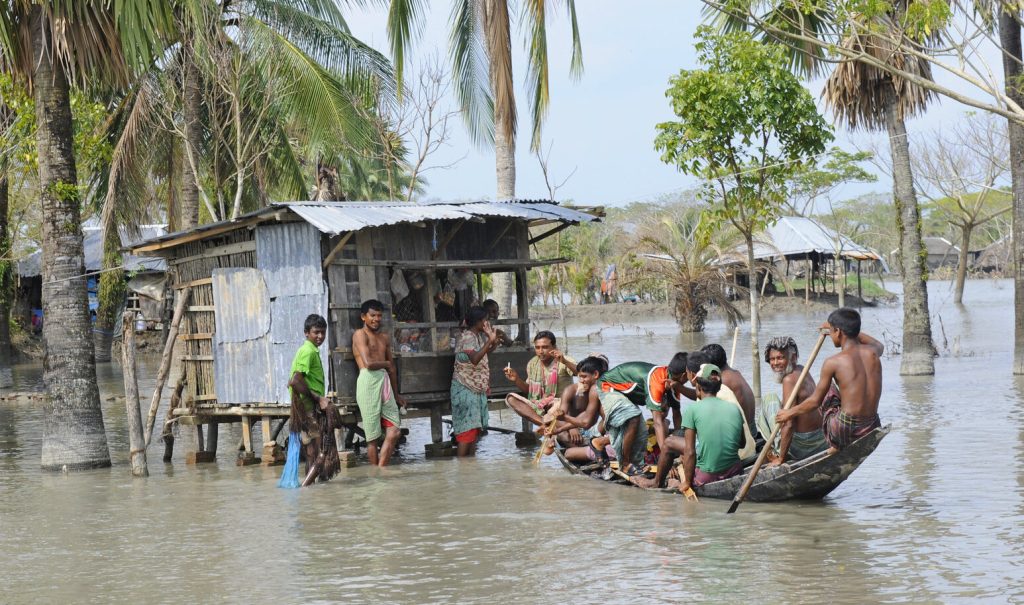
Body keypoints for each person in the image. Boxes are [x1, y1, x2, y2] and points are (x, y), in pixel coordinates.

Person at [777, 308, 884, 454]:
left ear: (838, 332)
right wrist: (849, 329)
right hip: (872, 424)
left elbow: (815, 401)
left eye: (832, 331)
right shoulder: (873, 352)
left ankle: (835, 444)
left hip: (845, 430)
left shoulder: (833, 362)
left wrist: (788, 413)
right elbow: (879, 344)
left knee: (828, 389)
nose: (831, 335)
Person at [632, 363, 747, 490]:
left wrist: (686, 483)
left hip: (707, 476)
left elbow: (690, 452)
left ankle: (656, 482)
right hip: (735, 470)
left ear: (698, 386)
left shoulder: (693, 410)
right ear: (719, 387)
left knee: (669, 442)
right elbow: (742, 443)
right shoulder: (734, 408)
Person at [549, 356, 647, 474]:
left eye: (584, 377)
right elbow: (588, 421)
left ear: (595, 374)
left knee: (569, 453)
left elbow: (586, 422)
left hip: (617, 445)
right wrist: (561, 428)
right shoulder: (613, 385)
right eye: (580, 377)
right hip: (633, 441)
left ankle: (599, 449)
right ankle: (596, 448)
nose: (581, 380)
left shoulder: (596, 388)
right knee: (568, 434)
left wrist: (564, 418)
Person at [756, 337, 827, 464]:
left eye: (780, 358)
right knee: (777, 404)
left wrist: (781, 458)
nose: (775, 363)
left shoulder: (789, 380)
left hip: (804, 446)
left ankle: (777, 450)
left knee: (769, 399)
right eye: (772, 359)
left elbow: (789, 424)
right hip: (820, 438)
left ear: (793, 358)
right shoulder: (801, 369)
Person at [353, 299, 406, 467]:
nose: (376, 319)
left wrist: (397, 394)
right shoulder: (359, 335)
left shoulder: (384, 337)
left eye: (379, 316)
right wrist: (386, 364)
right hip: (368, 381)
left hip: (385, 382)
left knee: (395, 431)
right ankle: (377, 473)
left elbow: (392, 369)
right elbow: (368, 363)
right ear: (363, 317)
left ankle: (380, 469)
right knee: (372, 437)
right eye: (372, 315)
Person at [287, 314, 339, 484]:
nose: (320, 337)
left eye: (323, 333)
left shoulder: (310, 350)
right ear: (306, 333)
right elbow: (295, 380)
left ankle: (312, 493)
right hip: (307, 408)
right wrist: (318, 398)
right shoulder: (308, 351)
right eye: (316, 332)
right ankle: (306, 487)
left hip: (306, 408)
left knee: (312, 451)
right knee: (317, 451)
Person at [599, 358, 687, 453]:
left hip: (628, 393)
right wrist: (664, 455)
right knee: (634, 424)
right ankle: (600, 442)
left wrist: (680, 444)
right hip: (608, 386)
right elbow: (657, 422)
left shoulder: (674, 383)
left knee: (648, 425)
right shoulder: (657, 380)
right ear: (684, 375)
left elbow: (677, 414)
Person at [451, 306, 501, 456]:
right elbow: (474, 359)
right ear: (478, 322)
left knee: (473, 431)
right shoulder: (467, 337)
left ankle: (470, 469)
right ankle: (462, 466)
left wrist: (493, 343)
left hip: (474, 389)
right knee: (467, 432)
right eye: (485, 320)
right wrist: (489, 341)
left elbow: (482, 354)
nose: (487, 323)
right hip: (465, 388)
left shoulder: (477, 336)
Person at [504, 330, 576, 408]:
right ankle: (540, 418)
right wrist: (516, 379)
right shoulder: (533, 363)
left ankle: (540, 418)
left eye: (545, 347)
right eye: (537, 348)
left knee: (556, 405)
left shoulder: (564, 360)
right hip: (540, 404)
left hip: (560, 404)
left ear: (554, 347)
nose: (541, 351)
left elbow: (580, 373)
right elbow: (529, 390)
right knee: (511, 399)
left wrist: (565, 362)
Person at [701, 343, 756, 434]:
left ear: (710, 366)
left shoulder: (723, 381)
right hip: (751, 429)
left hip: (743, 434)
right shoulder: (735, 373)